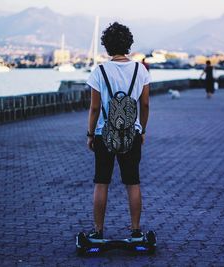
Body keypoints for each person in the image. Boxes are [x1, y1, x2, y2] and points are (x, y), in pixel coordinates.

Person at [86, 22, 150, 241]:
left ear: (106, 45)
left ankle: (98, 231)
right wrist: (142, 130)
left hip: (105, 134)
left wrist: (90, 134)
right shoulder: (140, 69)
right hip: (132, 134)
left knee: (101, 181)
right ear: (128, 43)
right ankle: (135, 231)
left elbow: (94, 108)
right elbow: (145, 104)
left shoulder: (99, 71)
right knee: (132, 182)